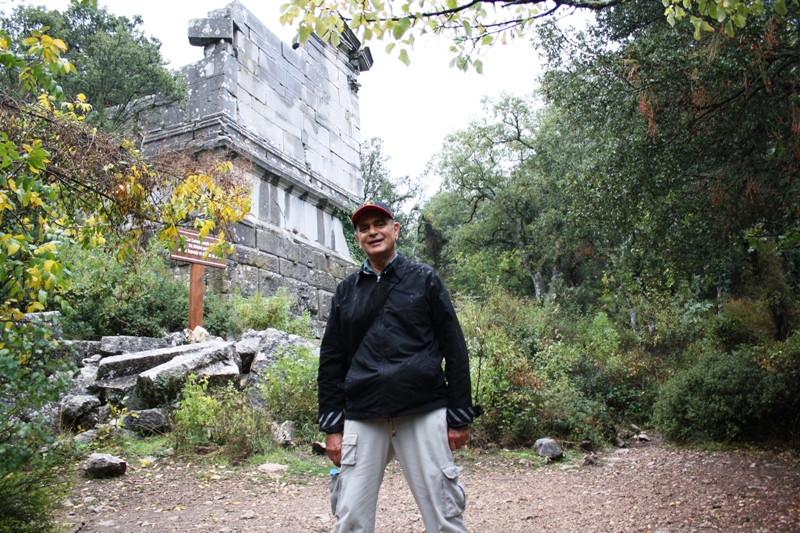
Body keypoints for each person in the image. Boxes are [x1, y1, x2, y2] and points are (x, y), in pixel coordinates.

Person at [318, 200, 481, 533]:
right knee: (349, 517)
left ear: (395, 229)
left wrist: (460, 416)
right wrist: (333, 427)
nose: (373, 232)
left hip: (423, 409)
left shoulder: (424, 280)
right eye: (364, 228)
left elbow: (455, 348)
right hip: (363, 413)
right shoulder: (346, 292)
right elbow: (332, 361)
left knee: (445, 514)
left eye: (380, 223)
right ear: (358, 237)